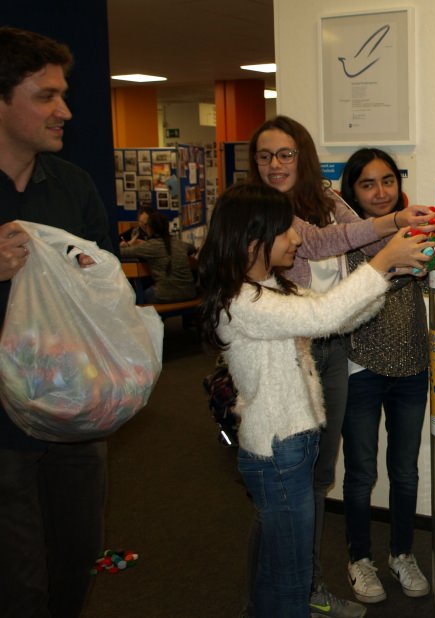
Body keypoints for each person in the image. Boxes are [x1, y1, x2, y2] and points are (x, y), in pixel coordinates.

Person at [196, 181, 432, 618]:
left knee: (278, 567)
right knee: (290, 576)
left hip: (292, 447)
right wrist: (382, 261)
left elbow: (338, 316)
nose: (299, 238)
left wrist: (392, 276)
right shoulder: (243, 301)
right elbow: (323, 314)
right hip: (278, 452)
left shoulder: (270, 288)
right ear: (253, 240)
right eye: (287, 231)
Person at [244, 116, 435, 618]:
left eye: (285, 154)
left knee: (312, 479)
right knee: (290, 484)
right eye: (265, 155)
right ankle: (285, 595)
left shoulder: (328, 201)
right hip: (293, 348)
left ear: (303, 157)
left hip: (330, 352)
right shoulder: (259, 210)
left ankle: (307, 589)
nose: (275, 165)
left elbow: (358, 240)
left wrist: (423, 239)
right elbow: (324, 244)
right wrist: (394, 228)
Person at [0, 26, 113, 618]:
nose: (64, 110)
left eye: (62, 94)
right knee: (17, 582)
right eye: (46, 96)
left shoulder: (73, 187)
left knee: (77, 552)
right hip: (1, 428)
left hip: (72, 410)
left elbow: (108, 288)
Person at [339, 149, 430, 603]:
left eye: (388, 181)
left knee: (406, 472)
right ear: (352, 190)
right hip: (362, 368)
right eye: (368, 184)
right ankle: (360, 559)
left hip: (413, 366)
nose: (381, 192)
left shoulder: (416, 230)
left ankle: (401, 553)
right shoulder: (344, 238)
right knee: (359, 473)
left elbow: (432, 280)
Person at [120, 208, 198, 303]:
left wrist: (129, 243)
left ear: (150, 228)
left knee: (135, 297)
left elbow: (122, 253)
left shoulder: (150, 246)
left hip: (164, 294)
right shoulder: (179, 243)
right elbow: (192, 248)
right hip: (189, 293)